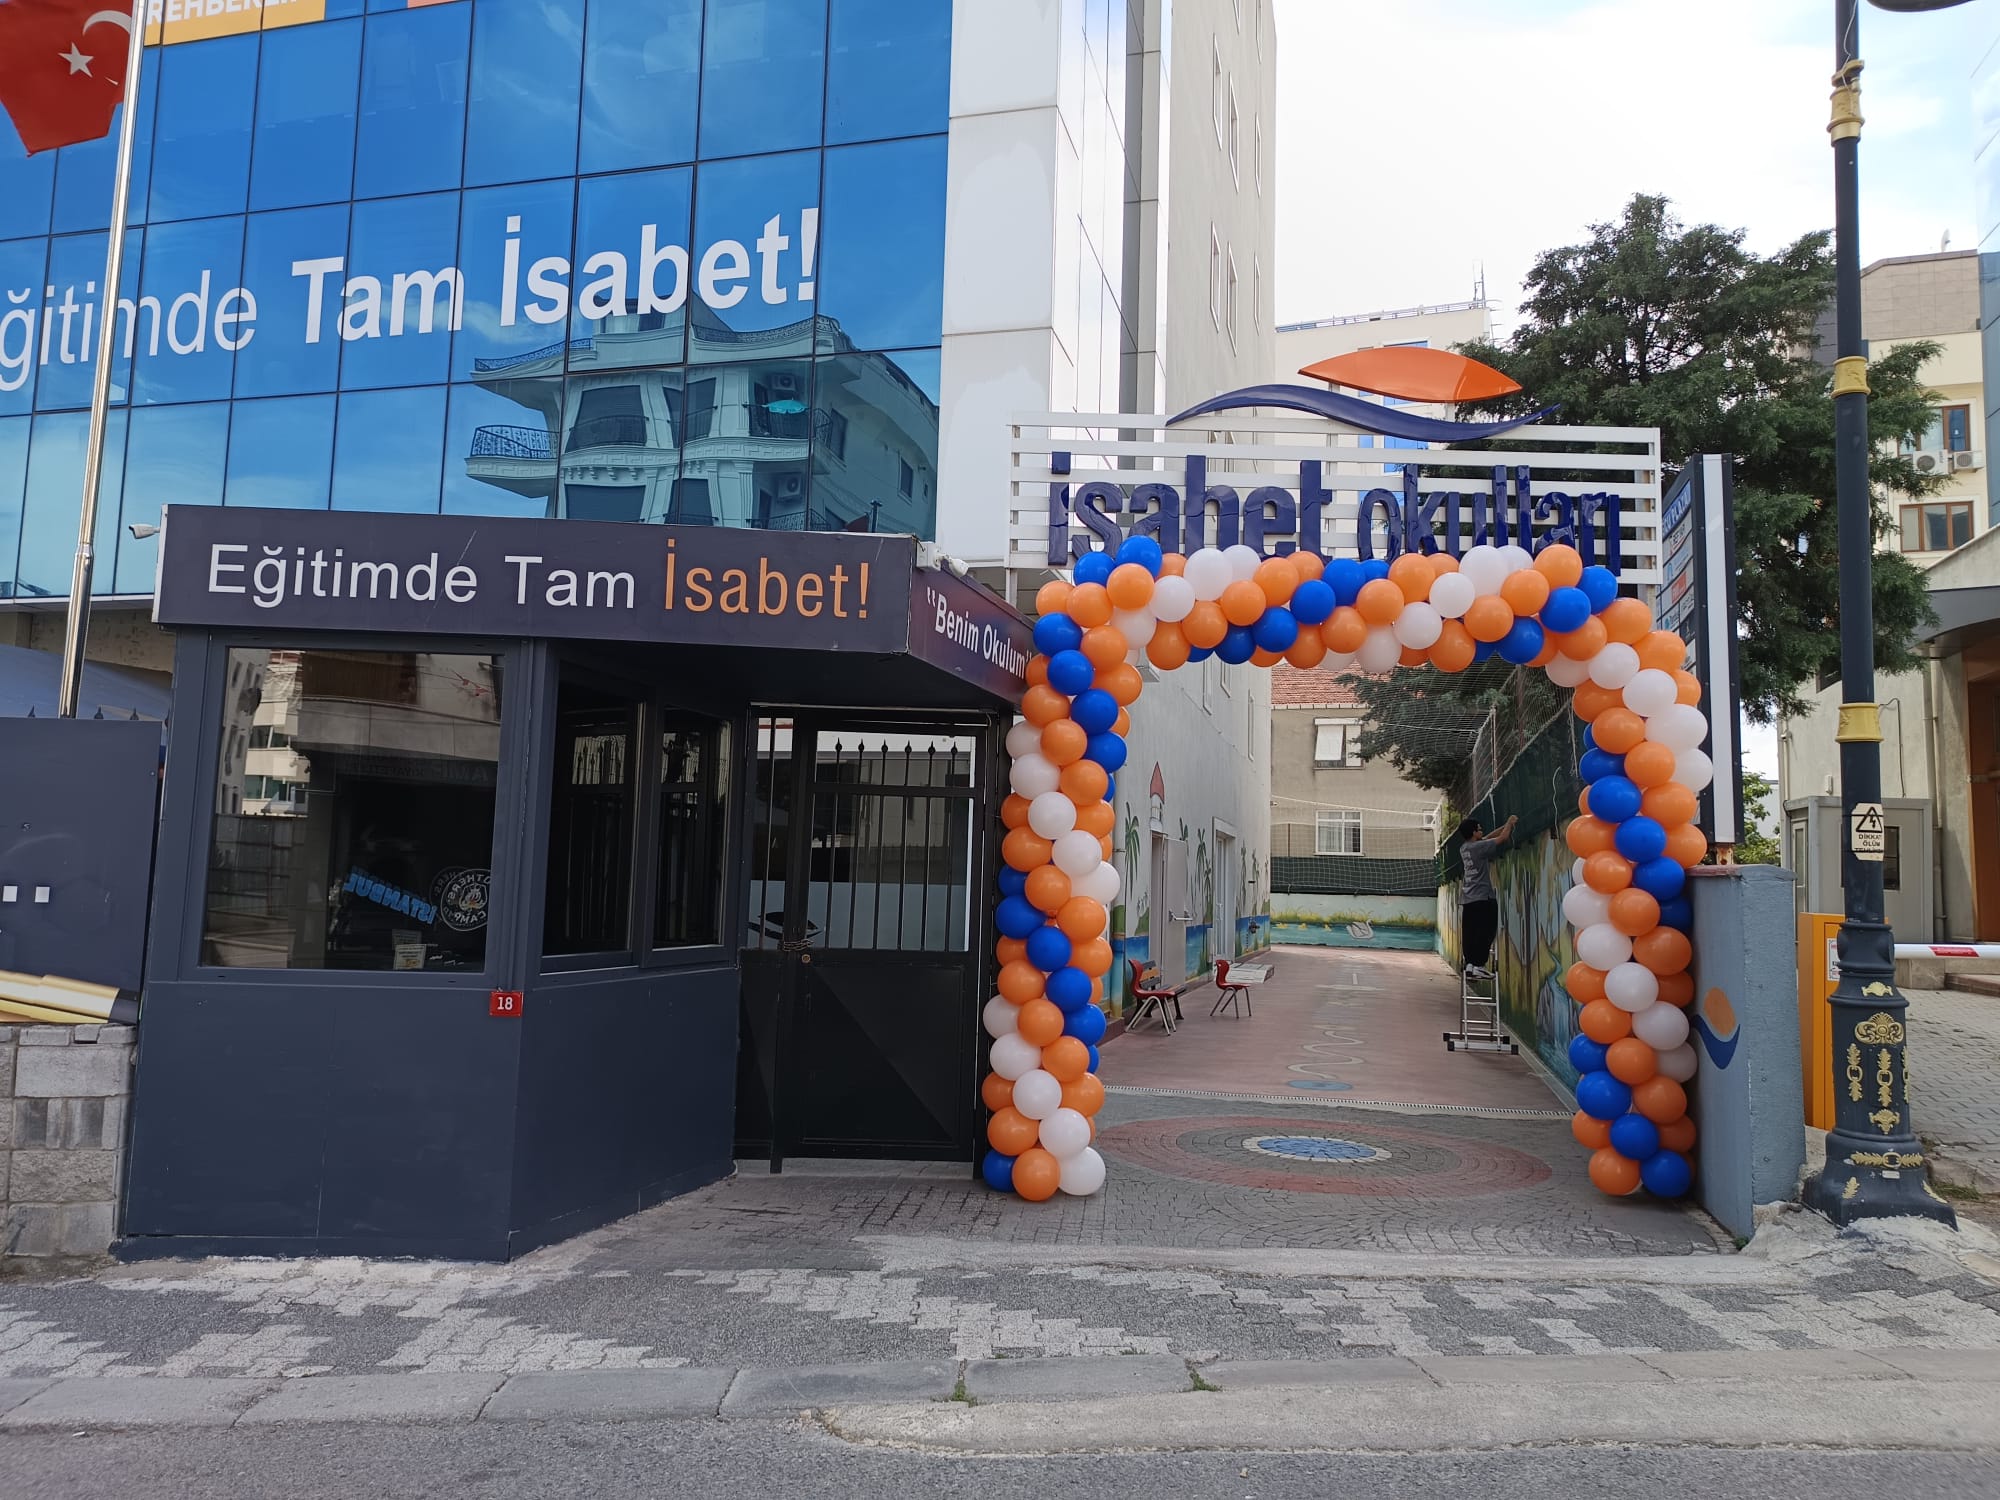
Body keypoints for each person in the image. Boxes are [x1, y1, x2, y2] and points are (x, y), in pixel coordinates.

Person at [1458, 814, 1515, 980]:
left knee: (1470, 933)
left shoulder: (1465, 848)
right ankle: (1479, 966)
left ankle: (1470, 964)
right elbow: (1502, 838)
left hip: (1468, 899)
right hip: (1483, 897)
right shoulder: (1478, 848)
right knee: (1486, 931)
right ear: (1474, 832)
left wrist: (1506, 824)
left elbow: (1488, 837)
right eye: (1479, 829)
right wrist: (1510, 823)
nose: (1482, 831)